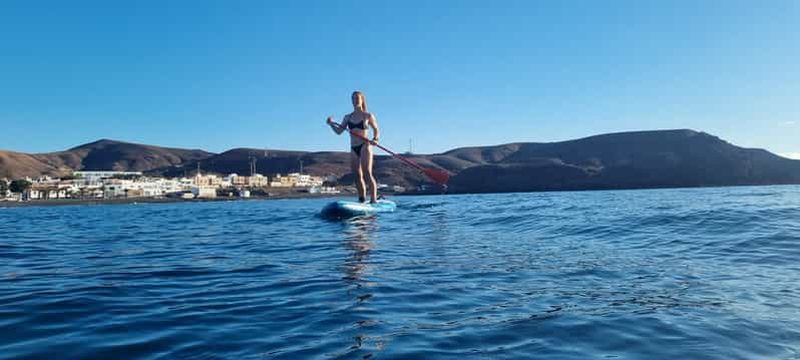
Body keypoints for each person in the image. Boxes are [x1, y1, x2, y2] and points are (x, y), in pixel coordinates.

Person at [327, 91, 380, 203]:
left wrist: (375, 139)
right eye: (353, 98)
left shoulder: (368, 115)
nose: (355, 100)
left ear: (362, 100)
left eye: (357, 98)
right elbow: (339, 131)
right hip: (353, 147)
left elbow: (376, 130)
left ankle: (373, 200)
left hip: (365, 145)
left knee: (367, 172)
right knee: (356, 174)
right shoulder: (347, 117)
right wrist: (331, 124)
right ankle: (361, 199)